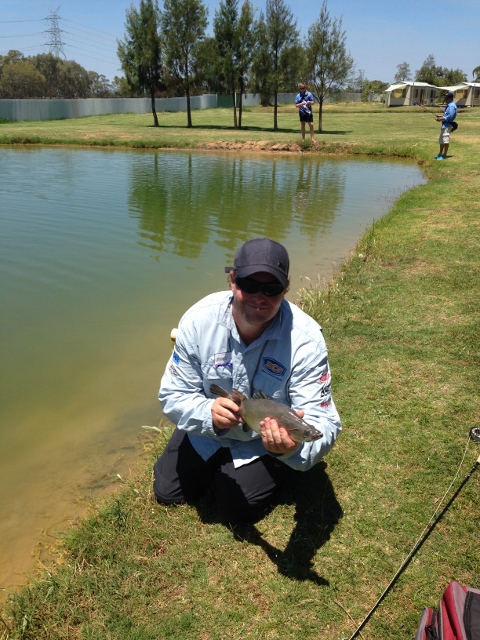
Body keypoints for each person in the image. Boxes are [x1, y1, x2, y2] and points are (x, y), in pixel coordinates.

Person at [153, 238, 342, 524]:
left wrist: (293, 449)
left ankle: (277, 468)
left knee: (235, 509)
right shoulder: (198, 322)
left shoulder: (306, 340)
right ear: (232, 280)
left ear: (286, 288)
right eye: (249, 285)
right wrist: (207, 413)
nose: (259, 297)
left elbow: (324, 422)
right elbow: (172, 394)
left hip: (261, 442)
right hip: (208, 431)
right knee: (167, 492)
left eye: (271, 288)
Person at [435, 91, 457, 160]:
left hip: (448, 125)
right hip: (445, 125)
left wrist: (442, 118)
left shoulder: (451, 106)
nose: (445, 100)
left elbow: (450, 116)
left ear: (450, 98)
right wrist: (441, 116)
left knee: (445, 140)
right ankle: (440, 153)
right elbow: (447, 115)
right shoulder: (449, 105)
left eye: (446, 98)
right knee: (441, 140)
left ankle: (444, 154)